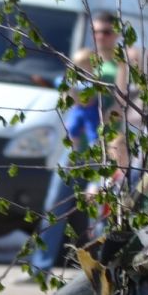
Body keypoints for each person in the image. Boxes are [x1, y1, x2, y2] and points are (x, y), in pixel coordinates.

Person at [26, 49, 106, 279]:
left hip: (94, 153)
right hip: (71, 154)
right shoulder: (72, 81)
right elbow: (60, 85)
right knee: (55, 206)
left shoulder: (93, 85)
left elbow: (84, 97)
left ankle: (97, 267)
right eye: (78, 65)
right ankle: (40, 267)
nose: (82, 69)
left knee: (95, 211)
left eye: (86, 65)